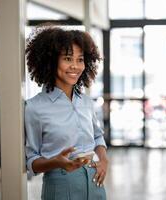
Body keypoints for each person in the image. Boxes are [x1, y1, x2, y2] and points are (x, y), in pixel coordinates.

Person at [25, 25, 108, 200]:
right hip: (60, 188)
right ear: (51, 60)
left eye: (80, 59)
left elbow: (98, 138)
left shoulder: (85, 101)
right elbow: (31, 161)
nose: (75, 66)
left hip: (95, 185)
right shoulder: (34, 107)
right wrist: (56, 162)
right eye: (68, 58)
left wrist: (103, 161)